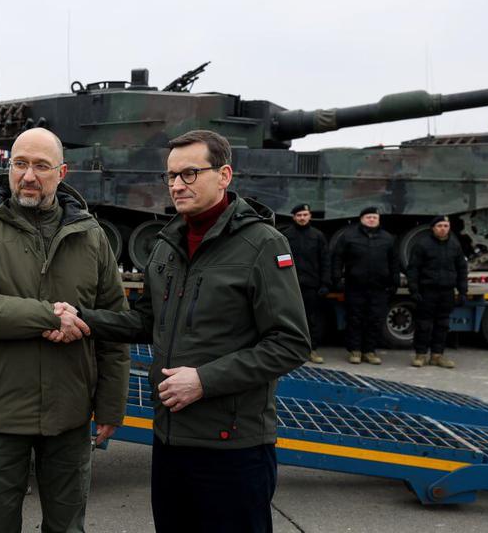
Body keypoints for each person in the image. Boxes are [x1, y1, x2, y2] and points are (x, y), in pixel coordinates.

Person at [52, 130, 309, 532]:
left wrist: (204, 380)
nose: (176, 184)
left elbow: (290, 344)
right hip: (171, 440)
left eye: (189, 173)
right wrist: (84, 317)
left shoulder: (261, 244)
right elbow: (145, 321)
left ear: (224, 175)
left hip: (233, 447)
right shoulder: (167, 243)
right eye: (170, 176)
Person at [0, 127, 130, 533]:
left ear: (62, 173)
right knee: (0, 524)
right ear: (8, 168)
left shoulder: (91, 237)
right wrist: (48, 317)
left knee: (67, 525)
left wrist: (110, 403)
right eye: (20, 164)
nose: (29, 176)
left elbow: (114, 324)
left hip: (70, 411)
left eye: (41, 166)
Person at [331, 206, 400, 365]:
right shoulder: (349, 237)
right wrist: (336, 279)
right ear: (361, 219)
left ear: (378, 220)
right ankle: (355, 351)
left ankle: (370, 351)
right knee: (355, 319)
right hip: (355, 286)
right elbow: (337, 258)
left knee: (375, 320)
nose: (371, 219)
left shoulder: (387, 238)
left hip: (379, 287)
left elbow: (394, 262)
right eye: (368, 217)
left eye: (374, 217)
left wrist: (394, 280)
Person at [406, 216, 468, 368]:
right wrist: (413, 289)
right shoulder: (422, 245)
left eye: (446, 226)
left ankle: (437, 355)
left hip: (446, 291)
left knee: (442, 324)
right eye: (439, 225)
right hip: (427, 291)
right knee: (424, 324)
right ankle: (420, 355)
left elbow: (461, 269)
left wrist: (462, 291)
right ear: (433, 228)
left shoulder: (454, 245)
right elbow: (413, 269)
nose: (443, 228)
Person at [283, 203, 331, 364]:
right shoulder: (285, 236)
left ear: (310, 216)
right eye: (299, 215)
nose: (302, 218)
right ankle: (289, 350)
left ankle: (312, 350)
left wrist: (325, 283)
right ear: (294, 217)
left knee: (312, 320)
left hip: (312, 286)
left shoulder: (318, 236)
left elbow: (325, 261)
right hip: (290, 285)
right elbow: (279, 260)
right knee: (289, 319)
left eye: (305, 215)